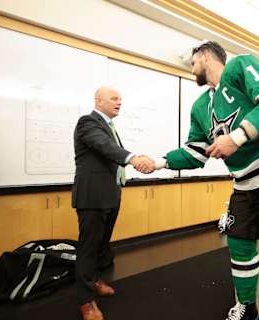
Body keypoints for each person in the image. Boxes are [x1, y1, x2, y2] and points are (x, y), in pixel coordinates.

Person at [152, 41, 259, 320]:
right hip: (245, 180)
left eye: (192, 63)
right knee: (239, 246)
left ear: (204, 56)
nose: (192, 70)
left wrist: (236, 138)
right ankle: (248, 308)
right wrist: (159, 162)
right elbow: (195, 153)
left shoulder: (240, 66)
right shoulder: (200, 105)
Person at [72, 86, 155, 320]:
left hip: (110, 195)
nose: (120, 102)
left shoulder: (110, 126)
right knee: (88, 249)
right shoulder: (87, 122)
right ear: (99, 101)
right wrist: (133, 158)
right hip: (92, 197)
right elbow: (105, 147)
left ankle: (94, 280)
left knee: (101, 245)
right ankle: (85, 301)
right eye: (114, 98)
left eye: (121, 98)